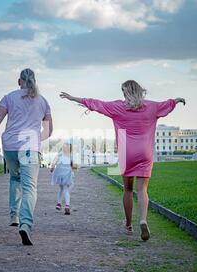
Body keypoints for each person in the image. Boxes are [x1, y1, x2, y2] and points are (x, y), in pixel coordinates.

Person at [60, 80, 185, 241]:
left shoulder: (118, 106)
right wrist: (176, 100)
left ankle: (128, 224)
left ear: (125, 92)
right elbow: (167, 104)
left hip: (127, 153)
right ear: (140, 91)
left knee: (127, 190)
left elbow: (95, 103)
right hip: (145, 152)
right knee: (142, 190)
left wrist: (72, 98)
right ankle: (143, 220)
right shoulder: (151, 106)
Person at [0, 68, 53, 246]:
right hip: (30, 146)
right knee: (30, 187)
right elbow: (48, 131)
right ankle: (25, 224)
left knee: (15, 178)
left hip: (10, 146)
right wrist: (37, 139)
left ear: (19, 81)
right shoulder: (43, 101)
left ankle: (14, 215)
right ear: (35, 81)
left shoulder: (9, 97)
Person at [50, 142, 75, 215]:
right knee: (66, 189)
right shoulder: (70, 156)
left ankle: (59, 203)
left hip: (60, 173)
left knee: (61, 189)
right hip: (66, 173)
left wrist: (52, 168)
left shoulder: (60, 154)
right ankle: (67, 205)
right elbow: (73, 166)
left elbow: (54, 162)